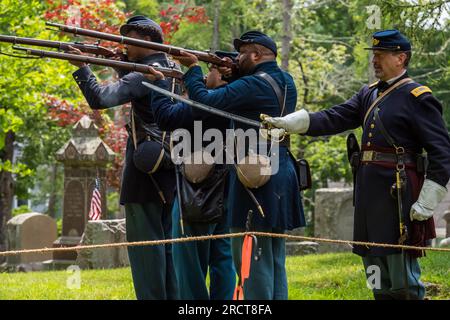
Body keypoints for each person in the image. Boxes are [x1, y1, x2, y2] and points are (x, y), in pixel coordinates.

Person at [262, 29, 450, 300]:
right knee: (374, 268)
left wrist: (428, 200)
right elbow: (334, 117)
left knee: (402, 276)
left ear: (401, 58)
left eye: (381, 54)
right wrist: (291, 123)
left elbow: (442, 152)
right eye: (374, 54)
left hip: (398, 196)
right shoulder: (368, 94)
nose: (375, 60)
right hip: (369, 195)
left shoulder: (417, 97)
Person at [169, 31, 305, 300]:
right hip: (278, 169)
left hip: (254, 176)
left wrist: (194, 70)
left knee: (251, 260)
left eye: (242, 54)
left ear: (256, 55)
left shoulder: (254, 85)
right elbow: (246, 90)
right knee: (272, 259)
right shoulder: (284, 80)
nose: (238, 58)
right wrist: (229, 70)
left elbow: (205, 101)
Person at [68, 15, 178, 300]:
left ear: (148, 40)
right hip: (175, 167)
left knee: (145, 249)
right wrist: (119, 65)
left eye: (129, 38)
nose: (123, 44)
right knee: (168, 246)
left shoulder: (146, 71)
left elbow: (99, 99)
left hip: (145, 171)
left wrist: (82, 68)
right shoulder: (175, 67)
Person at [144, 55, 238, 299]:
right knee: (223, 258)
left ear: (224, 74)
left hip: (198, 190)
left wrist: (160, 85)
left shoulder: (212, 100)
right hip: (229, 188)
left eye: (213, 70)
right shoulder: (239, 97)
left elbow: (165, 118)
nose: (208, 74)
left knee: (188, 263)